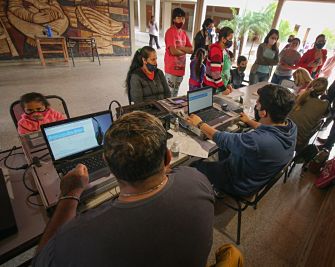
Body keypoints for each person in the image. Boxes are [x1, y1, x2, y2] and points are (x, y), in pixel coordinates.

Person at [33, 111, 215, 267]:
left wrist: (70, 194)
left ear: (109, 165)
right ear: (167, 158)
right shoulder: (197, 179)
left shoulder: (78, 236)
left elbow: (39, 261)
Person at [186, 84, 297, 196]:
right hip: (256, 173)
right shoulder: (290, 126)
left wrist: (200, 124)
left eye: (258, 103)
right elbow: (268, 129)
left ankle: (212, 187)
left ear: (263, 113)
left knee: (194, 165)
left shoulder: (258, 141)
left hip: (239, 183)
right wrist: (249, 121)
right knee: (226, 145)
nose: (256, 104)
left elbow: (223, 139)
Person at [288, 77, 329, 152]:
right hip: (298, 142)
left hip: (282, 131)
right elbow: (327, 114)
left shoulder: (299, 96)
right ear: (323, 92)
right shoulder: (324, 104)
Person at [164, 8, 193, 97]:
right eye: (179, 18)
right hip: (171, 69)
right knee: (169, 94)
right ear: (174, 19)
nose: (182, 20)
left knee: (175, 93)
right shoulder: (170, 32)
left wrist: (180, 48)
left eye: (183, 18)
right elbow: (173, 51)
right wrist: (185, 50)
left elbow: (191, 50)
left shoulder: (184, 33)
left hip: (181, 69)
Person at [203, 26, 234, 95]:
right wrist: (223, 88)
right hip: (211, 87)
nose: (231, 41)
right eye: (230, 39)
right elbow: (215, 74)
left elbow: (226, 70)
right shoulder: (216, 51)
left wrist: (228, 83)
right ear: (223, 39)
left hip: (219, 85)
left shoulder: (224, 50)